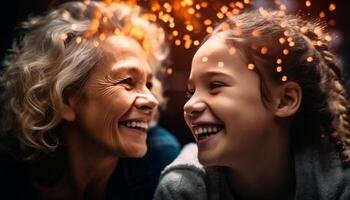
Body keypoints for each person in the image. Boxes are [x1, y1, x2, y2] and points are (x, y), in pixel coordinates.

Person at [154, 9, 350, 200]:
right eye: (191, 92)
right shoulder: (182, 189)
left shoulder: (341, 183)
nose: (189, 105)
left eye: (215, 85)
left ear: (285, 100)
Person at [0, 1, 176, 199]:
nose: (152, 100)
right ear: (65, 99)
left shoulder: (161, 161)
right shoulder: (10, 177)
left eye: (149, 85)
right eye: (127, 81)